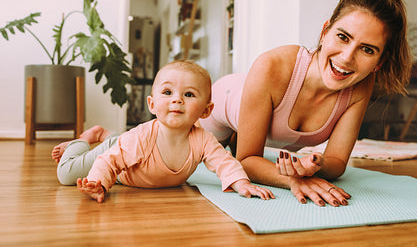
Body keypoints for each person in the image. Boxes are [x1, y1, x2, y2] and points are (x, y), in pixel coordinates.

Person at [199, 0, 412, 207]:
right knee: (187, 154)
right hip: (221, 103)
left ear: (379, 61)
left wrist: (315, 166)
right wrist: (292, 180)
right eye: (342, 37)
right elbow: (246, 160)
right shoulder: (272, 65)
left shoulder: (360, 84)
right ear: (324, 32)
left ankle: (238, 137)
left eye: (367, 50)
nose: (347, 58)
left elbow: (337, 162)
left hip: (254, 99)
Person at [52, 60, 275, 203]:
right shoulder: (140, 138)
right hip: (117, 155)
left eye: (189, 95)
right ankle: (81, 142)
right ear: (152, 104)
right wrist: (98, 184)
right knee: (67, 175)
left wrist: (242, 184)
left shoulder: (203, 140)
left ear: (206, 111)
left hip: (126, 148)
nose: (177, 99)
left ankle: (106, 134)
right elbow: (108, 163)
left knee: (121, 144)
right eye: (167, 92)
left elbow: (224, 162)